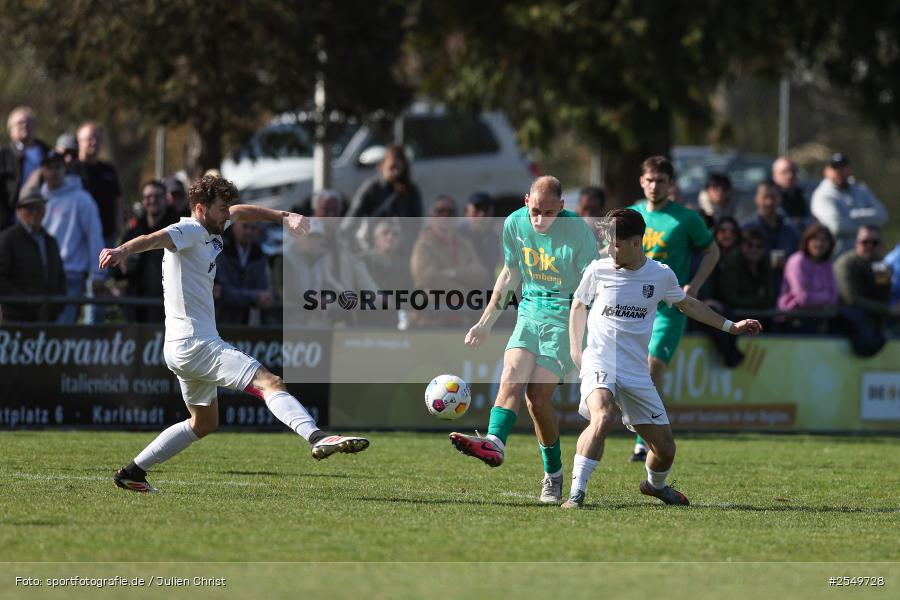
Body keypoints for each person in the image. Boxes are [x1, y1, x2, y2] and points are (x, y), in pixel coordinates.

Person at [101, 174, 368, 493]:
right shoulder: (187, 229)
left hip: (180, 347)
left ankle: (132, 472)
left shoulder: (212, 226)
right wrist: (122, 250)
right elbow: (154, 237)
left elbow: (241, 211)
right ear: (200, 208)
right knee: (270, 383)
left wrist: (285, 216)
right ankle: (317, 436)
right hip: (196, 343)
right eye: (220, 209)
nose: (227, 215)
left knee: (204, 423)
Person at [562, 208, 762, 508]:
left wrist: (730, 326)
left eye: (616, 243)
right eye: (608, 242)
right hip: (600, 360)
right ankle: (576, 493)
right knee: (603, 415)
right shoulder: (597, 269)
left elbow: (689, 305)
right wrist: (576, 350)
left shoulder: (660, 274)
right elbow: (578, 305)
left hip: (636, 372)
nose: (610, 249)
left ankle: (656, 486)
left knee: (666, 449)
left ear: (636, 242)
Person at [449, 176, 597, 504]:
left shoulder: (579, 233)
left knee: (537, 399)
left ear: (562, 207)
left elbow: (593, 286)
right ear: (525, 200)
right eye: (534, 210)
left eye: (548, 212)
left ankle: (553, 475)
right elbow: (509, 273)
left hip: (566, 319)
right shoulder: (514, 224)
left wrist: (587, 337)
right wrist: (486, 322)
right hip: (529, 314)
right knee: (511, 375)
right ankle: (495, 443)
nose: (539, 219)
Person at [629, 156, 719, 462]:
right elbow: (609, 252)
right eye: (650, 180)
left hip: (668, 309)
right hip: (631, 309)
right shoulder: (631, 214)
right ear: (642, 181)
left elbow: (712, 250)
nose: (655, 186)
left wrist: (693, 285)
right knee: (629, 375)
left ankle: (645, 443)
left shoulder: (686, 218)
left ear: (671, 184)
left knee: (652, 371)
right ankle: (645, 433)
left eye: (661, 180)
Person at [40, 151, 106, 324]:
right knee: (39, 335)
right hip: (40, 275)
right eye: (49, 168)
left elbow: (94, 237)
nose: (53, 172)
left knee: (62, 332)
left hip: (71, 275)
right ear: (42, 170)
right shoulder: (38, 199)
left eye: (57, 167)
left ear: (65, 169)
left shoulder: (82, 199)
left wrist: (99, 274)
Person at [410, 196, 487, 327]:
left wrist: (452, 273)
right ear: (431, 216)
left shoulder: (465, 243)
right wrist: (469, 295)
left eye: (450, 212)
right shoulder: (423, 245)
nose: (445, 215)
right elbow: (428, 278)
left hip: (464, 320)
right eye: (440, 211)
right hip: (431, 319)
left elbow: (481, 275)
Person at [340, 144, 422, 253]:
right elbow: (352, 218)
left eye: (399, 165)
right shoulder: (372, 188)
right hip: (374, 248)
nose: (395, 171)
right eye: (392, 166)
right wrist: (342, 240)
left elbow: (417, 223)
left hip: (401, 251)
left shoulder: (410, 191)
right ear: (383, 164)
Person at [0, 186, 65, 322]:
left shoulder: (50, 241)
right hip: (15, 319)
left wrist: (57, 304)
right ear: (19, 212)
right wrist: (25, 301)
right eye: (29, 208)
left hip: (47, 318)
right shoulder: (8, 239)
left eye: (39, 208)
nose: (35, 213)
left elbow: (59, 276)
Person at [115, 180, 177, 323]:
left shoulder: (177, 229)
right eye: (148, 197)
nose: (153, 200)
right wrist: (122, 266)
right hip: (137, 311)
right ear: (143, 201)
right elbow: (116, 273)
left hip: (169, 310)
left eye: (157, 196)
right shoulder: (131, 233)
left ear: (166, 199)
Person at [833, 226, 898, 357]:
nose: (869, 246)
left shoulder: (880, 265)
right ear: (856, 243)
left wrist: (886, 281)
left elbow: (883, 296)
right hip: (849, 322)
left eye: (874, 242)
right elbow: (851, 300)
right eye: (865, 242)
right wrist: (888, 310)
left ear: (881, 245)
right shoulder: (846, 263)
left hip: (874, 320)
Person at [811, 153, 887, 258]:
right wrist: (868, 220)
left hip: (869, 255)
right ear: (826, 171)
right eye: (835, 168)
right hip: (838, 257)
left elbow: (882, 216)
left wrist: (852, 215)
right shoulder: (822, 195)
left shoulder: (861, 189)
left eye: (843, 167)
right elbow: (837, 226)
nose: (840, 172)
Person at [778, 223, 838, 333]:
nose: (819, 244)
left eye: (824, 240)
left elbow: (833, 297)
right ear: (807, 241)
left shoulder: (827, 264)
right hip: (793, 319)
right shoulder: (797, 261)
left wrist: (817, 297)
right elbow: (803, 298)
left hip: (818, 319)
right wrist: (825, 296)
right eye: (815, 239)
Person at [742, 182, 800, 293]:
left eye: (773, 197)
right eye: (765, 197)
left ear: (780, 199)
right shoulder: (745, 229)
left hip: (786, 289)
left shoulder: (791, 230)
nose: (769, 202)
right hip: (754, 290)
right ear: (757, 199)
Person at [214, 221, 273, 325]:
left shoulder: (259, 254)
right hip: (218, 319)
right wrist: (256, 296)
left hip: (245, 321)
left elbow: (263, 288)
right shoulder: (219, 250)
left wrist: (263, 297)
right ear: (234, 226)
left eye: (253, 228)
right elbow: (223, 292)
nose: (249, 231)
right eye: (245, 226)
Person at [74, 122, 122, 248]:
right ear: (79, 141)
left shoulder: (108, 170)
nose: (94, 142)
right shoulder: (72, 170)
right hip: (79, 237)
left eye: (97, 139)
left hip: (106, 236)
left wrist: (118, 225)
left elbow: (117, 198)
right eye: (89, 138)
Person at [1, 107, 49, 230]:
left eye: (29, 122)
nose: (25, 125)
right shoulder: (4, 155)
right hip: (13, 222)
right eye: (19, 123)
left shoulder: (48, 153)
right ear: (10, 130)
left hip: (47, 217)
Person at [457, 191, 502, 286]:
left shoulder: (496, 238)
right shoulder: (455, 237)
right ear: (466, 212)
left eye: (486, 211)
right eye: (476, 210)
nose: (481, 215)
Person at [771, 156, 809, 228]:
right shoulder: (770, 197)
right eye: (784, 172)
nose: (790, 176)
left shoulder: (800, 195)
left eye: (793, 171)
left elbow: (809, 219)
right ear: (774, 175)